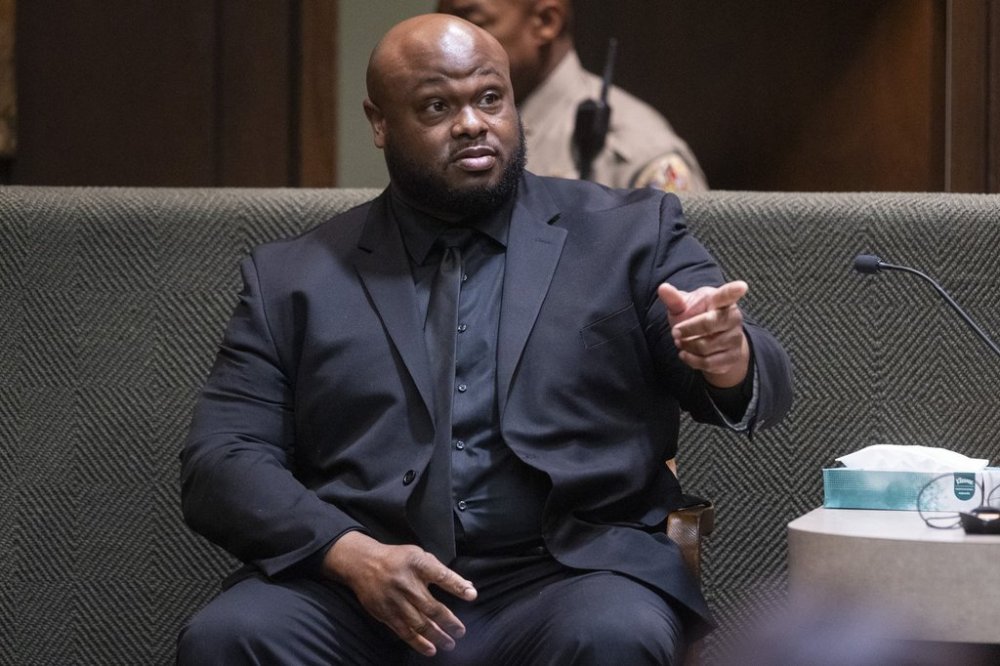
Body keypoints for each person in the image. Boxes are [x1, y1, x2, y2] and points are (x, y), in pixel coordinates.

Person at [177, 13, 791, 665]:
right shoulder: (293, 278)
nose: (472, 123)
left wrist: (730, 358)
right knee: (228, 638)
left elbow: (755, 379)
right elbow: (222, 461)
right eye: (438, 105)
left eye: (489, 98)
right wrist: (346, 553)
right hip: (360, 590)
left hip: (564, 579)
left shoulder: (628, 235)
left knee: (615, 634)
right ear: (380, 122)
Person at [436, 0, 708, 192]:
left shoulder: (635, 151)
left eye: (470, 21)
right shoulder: (454, 131)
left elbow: (685, 269)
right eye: (443, 21)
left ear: (546, 21)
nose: (446, 41)